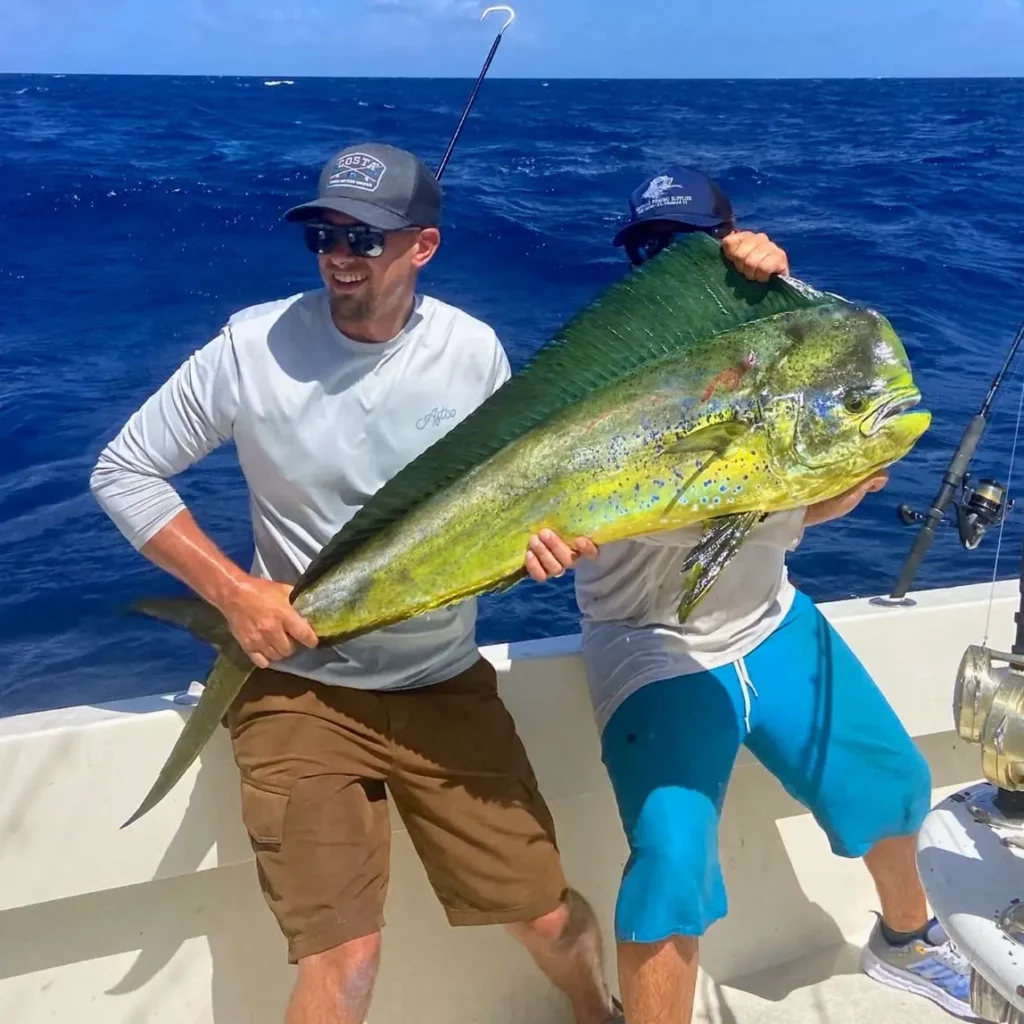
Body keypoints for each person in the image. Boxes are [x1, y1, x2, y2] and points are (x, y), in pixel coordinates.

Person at [90, 142, 621, 1024]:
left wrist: (547, 547)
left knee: (546, 914)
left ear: (424, 247)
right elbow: (125, 470)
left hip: (441, 685)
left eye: (366, 237)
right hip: (299, 689)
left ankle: (598, 1014)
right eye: (325, 233)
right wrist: (236, 594)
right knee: (346, 958)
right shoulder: (250, 345)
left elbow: (512, 507)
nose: (340, 252)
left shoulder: (472, 353)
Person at [525, 169, 974, 1024]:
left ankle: (907, 939)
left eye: (689, 246)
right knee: (669, 860)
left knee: (893, 783)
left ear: (729, 245)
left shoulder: (781, 355)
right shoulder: (605, 383)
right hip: (649, 645)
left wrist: (844, 478)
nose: (666, 265)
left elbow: (817, 492)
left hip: (772, 619)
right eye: (648, 252)